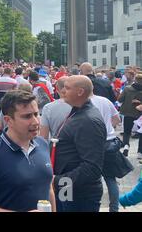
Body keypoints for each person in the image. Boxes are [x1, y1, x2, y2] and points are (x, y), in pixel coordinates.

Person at [0, 90, 55, 212]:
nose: (36, 121)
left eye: (36, 114)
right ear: (8, 120)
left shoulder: (43, 144)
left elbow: (48, 189)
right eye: (27, 116)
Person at [54, 76, 107, 212]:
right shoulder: (78, 111)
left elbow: (92, 168)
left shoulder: (88, 120)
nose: (62, 91)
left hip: (80, 193)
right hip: (68, 188)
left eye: (67, 88)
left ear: (80, 92)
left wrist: (57, 181)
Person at [90, 94, 122, 212]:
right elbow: (117, 119)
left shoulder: (81, 103)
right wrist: (108, 128)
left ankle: (94, 207)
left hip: (92, 144)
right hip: (109, 142)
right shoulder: (105, 101)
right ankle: (114, 208)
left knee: (92, 179)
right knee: (110, 179)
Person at [118, 74, 142, 157]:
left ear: (135, 79)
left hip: (128, 112)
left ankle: (126, 146)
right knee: (141, 133)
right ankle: (140, 152)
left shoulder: (127, 88)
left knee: (127, 132)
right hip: (140, 114)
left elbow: (120, 99)